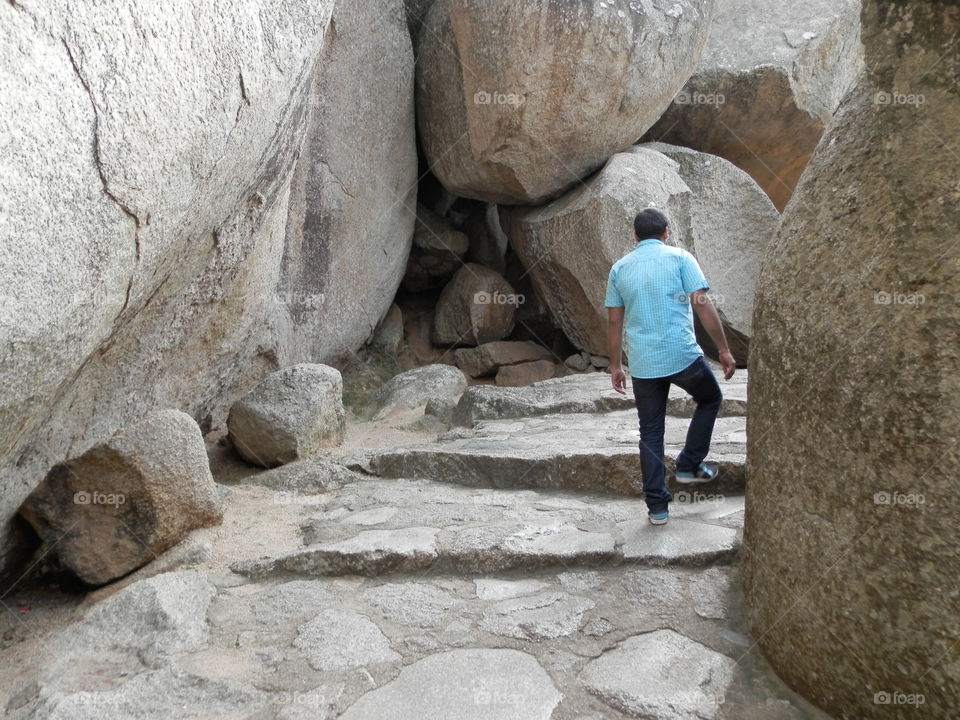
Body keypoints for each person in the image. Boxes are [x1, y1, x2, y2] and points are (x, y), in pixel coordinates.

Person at [604, 208, 735, 525]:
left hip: (644, 363)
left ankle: (657, 507)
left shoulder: (620, 269)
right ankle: (689, 464)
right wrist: (723, 349)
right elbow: (701, 303)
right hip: (682, 356)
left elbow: (613, 320)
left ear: (634, 237)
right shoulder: (680, 258)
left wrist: (615, 365)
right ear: (666, 232)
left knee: (650, 432)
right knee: (710, 398)